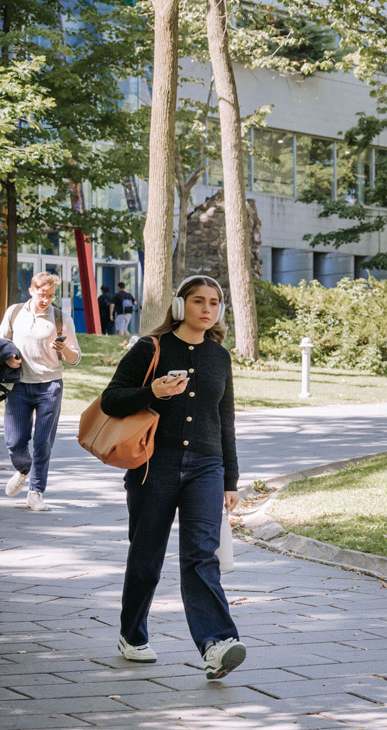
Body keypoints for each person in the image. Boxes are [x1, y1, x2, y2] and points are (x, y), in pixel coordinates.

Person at [100, 275, 246, 680]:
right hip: (153, 464)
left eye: (214, 303)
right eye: (198, 301)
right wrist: (153, 392)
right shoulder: (151, 347)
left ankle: (218, 644)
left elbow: (225, 420)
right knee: (147, 554)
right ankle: (132, 635)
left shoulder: (220, 357)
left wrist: (230, 479)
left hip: (206, 466)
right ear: (180, 306)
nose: (207, 309)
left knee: (202, 555)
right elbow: (111, 398)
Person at [2, 272, 81, 511]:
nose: (45, 299)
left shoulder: (60, 317)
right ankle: (24, 468)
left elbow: (75, 358)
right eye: (41, 294)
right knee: (15, 441)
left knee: (43, 442)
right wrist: (8, 359)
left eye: (50, 295)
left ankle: (35, 492)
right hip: (19, 385)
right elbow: (2, 343)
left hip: (50, 386)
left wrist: (64, 348)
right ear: (31, 290)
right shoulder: (14, 313)